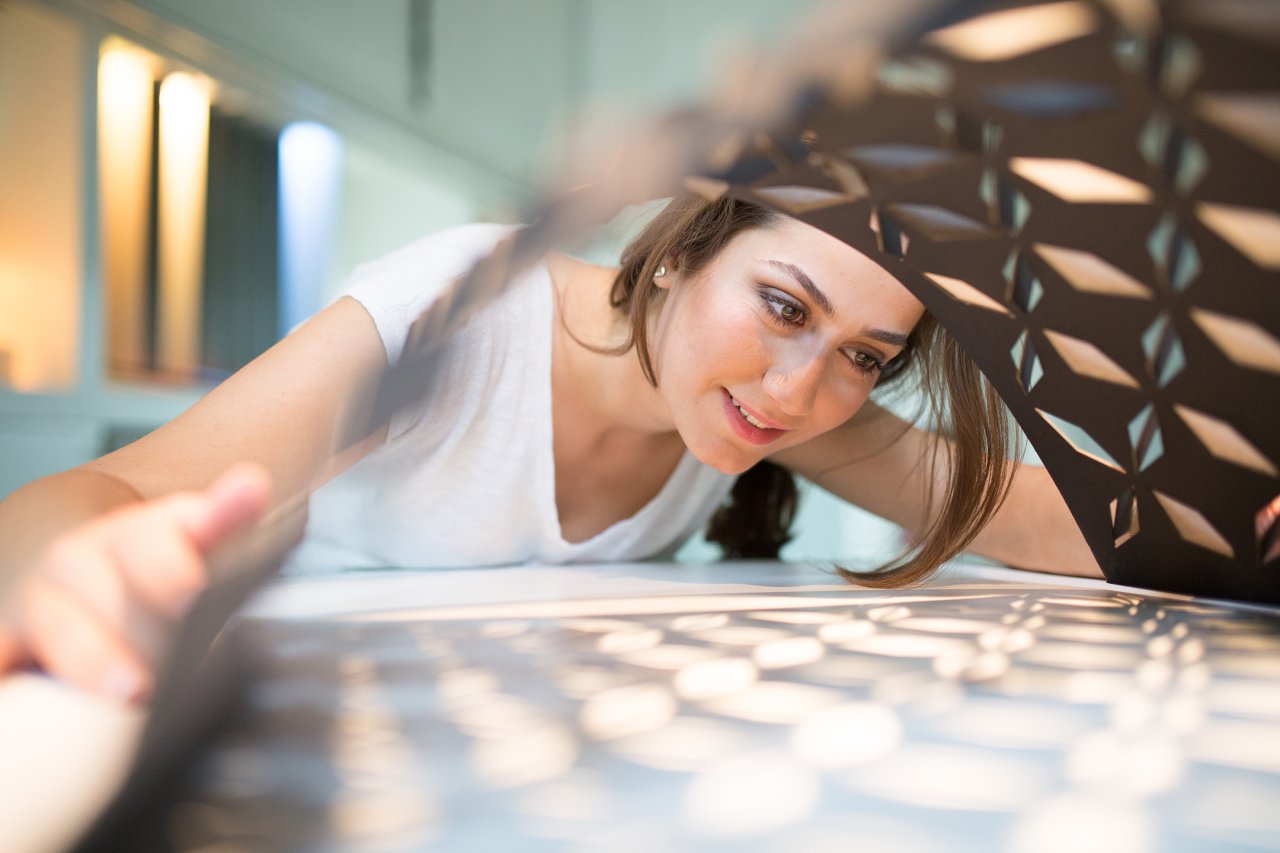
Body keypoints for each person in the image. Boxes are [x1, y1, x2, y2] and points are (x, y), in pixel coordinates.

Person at [0, 195, 1101, 703]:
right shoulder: (456, 313)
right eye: (781, 305)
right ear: (683, 248)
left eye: (863, 355)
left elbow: (1023, 514)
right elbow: (111, 489)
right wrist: (60, 575)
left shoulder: (762, 404)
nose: (799, 389)